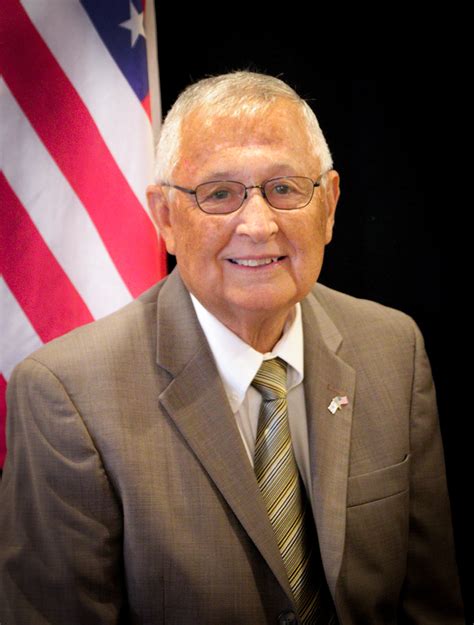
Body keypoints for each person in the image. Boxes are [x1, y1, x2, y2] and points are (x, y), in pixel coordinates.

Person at [0, 71, 463, 625]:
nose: (259, 226)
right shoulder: (67, 396)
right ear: (166, 217)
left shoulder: (393, 348)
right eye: (219, 194)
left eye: (284, 188)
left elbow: (431, 606)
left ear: (330, 205)